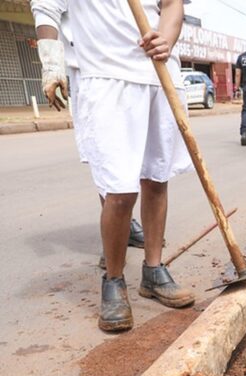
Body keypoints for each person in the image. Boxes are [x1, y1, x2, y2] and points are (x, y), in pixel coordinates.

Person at [36, 0, 196, 332]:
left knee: (156, 179)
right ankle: (114, 280)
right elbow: (45, 7)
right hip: (106, 76)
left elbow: (171, 5)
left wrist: (166, 37)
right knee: (119, 190)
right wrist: (51, 63)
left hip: (159, 73)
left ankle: (153, 271)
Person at [30, 0, 145, 267]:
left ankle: (125, 223)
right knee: (107, 161)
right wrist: (51, 65)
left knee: (138, 165)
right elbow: (46, 6)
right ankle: (115, 235)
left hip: (137, 72)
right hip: (94, 75)